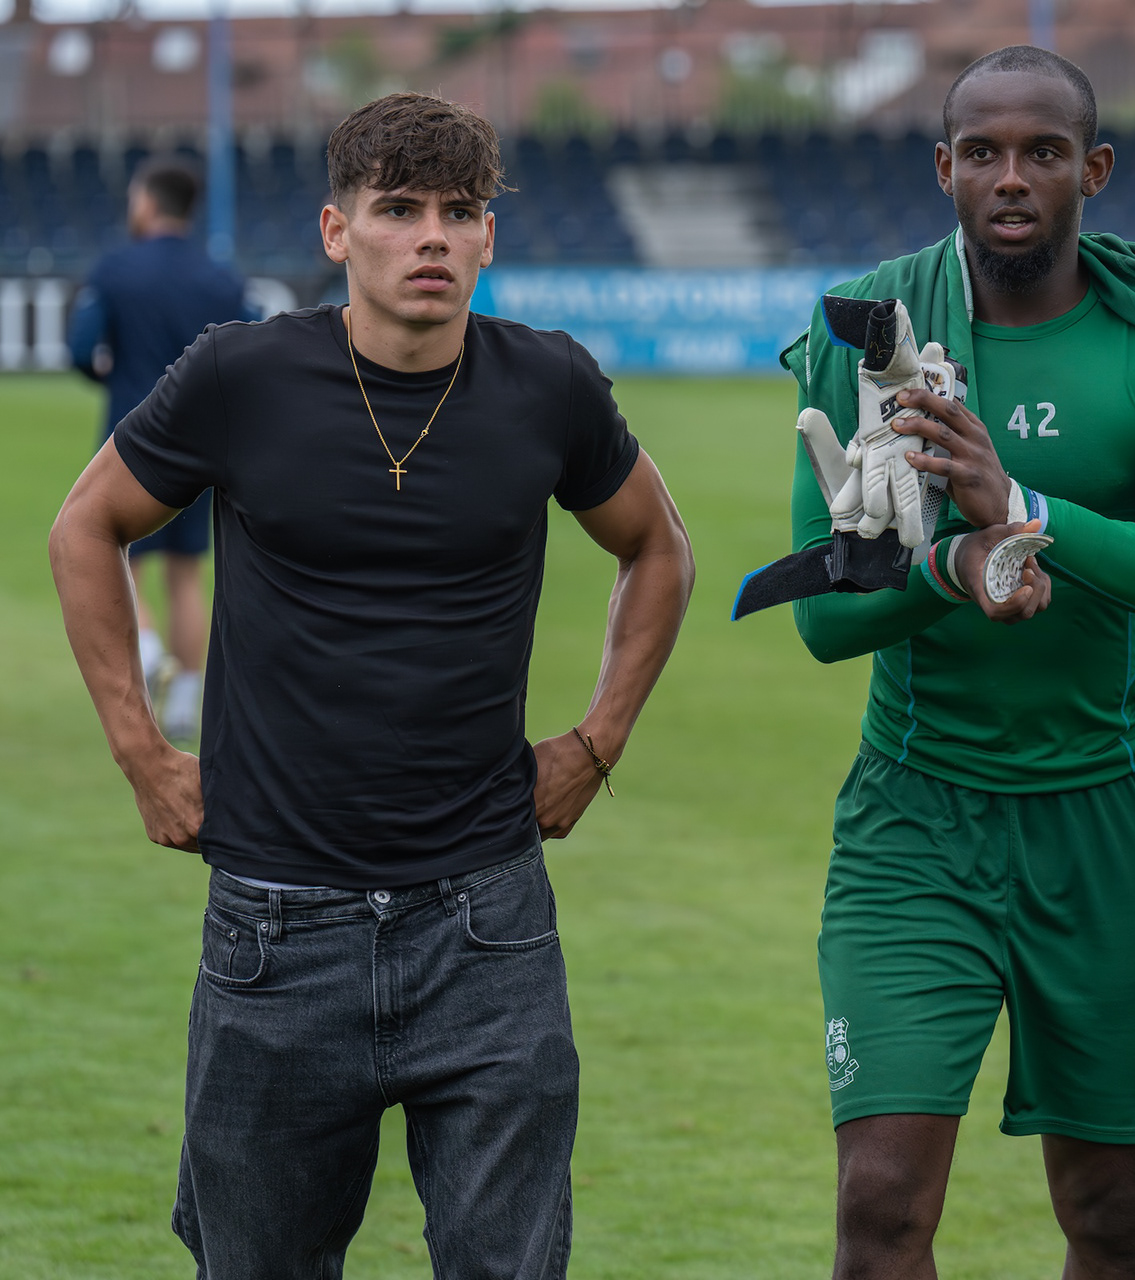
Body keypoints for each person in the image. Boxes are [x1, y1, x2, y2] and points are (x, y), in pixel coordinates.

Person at [47, 92, 695, 1277]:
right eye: (399, 209)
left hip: (488, 923)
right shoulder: (241, 374)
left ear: (489, 236)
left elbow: (659, 546)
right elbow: (85, 527)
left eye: (459, 211)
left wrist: (598, 740)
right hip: (276, 925)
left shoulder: (548, 384)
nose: (431, 235)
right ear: (338, 230)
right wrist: (141, 751)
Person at [779, 46, 1135, 1279]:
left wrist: (1019, 504)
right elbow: (823, 620)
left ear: (1096, 169)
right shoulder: (867, 327)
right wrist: (950, 566)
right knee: (881, 1206)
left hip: (1104, 816)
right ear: (944, 168)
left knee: (1112, 1218)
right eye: (982, 152)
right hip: (917, 820)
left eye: (1045, 151)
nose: (1012, 176)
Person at [67, 157, 252, 742]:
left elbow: (81, 348)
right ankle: (184, 703)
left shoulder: (115, 269)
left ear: (147, 202)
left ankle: (145, 648)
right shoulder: (221, 277)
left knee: (122, 554)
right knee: (186, 574)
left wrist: (110, 379)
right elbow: (250, 350)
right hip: (204, 440)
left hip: (131, 438)